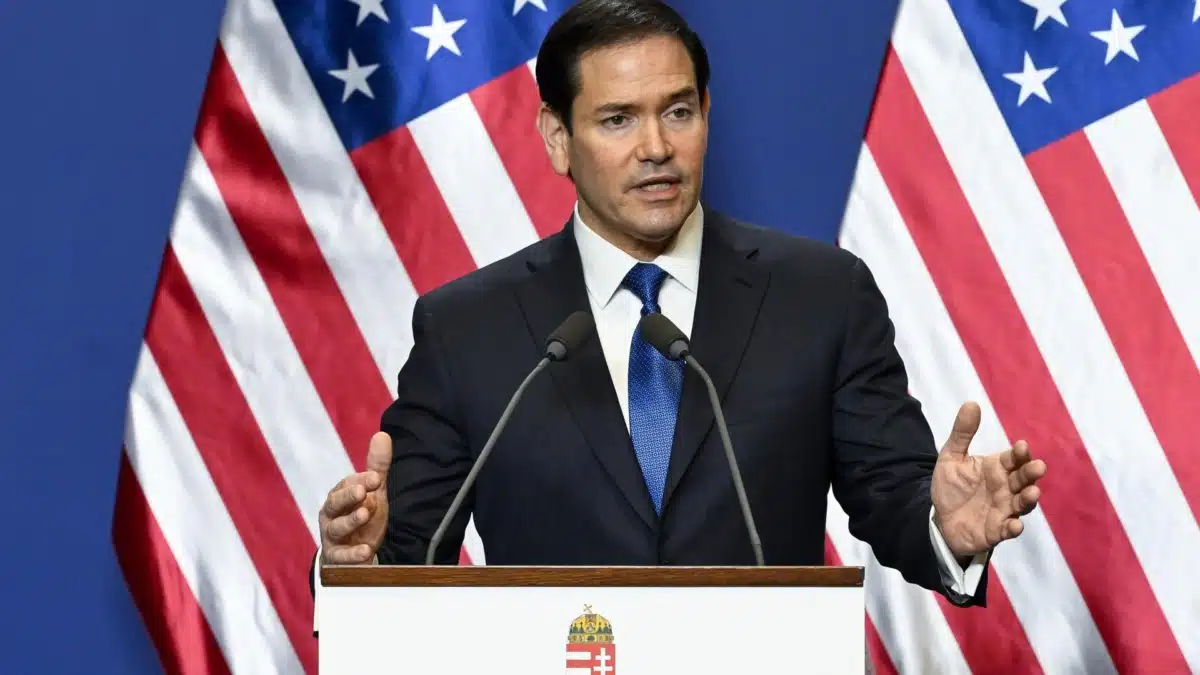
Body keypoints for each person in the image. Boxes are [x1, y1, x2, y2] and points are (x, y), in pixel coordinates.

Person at [311, 0, 1046, 623]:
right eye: (617, 120)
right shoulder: (467, 329)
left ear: (707, 115)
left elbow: (892, 494)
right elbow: (406, 554)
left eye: (678, 112)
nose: (657, 147)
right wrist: (355, 565)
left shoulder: (822, 296)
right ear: (557, 138)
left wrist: (944, 526)